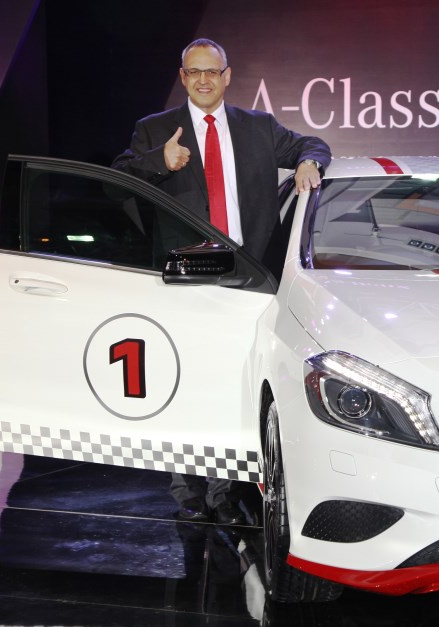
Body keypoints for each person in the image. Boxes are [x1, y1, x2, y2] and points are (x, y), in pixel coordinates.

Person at [112, 38, 332, 524]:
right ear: (183, 77)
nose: (204, 80)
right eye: (194, 72)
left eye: (212, 71)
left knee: (237, 383)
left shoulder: (258, 127)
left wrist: (308, 162)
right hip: (186, 276)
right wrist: (159, 162)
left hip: (246, 275)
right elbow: (119, 180)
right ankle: (186, 490)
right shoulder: (155, 129)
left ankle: (224, 491)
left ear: (227, 76)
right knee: (185, 382)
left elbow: (313, 144)